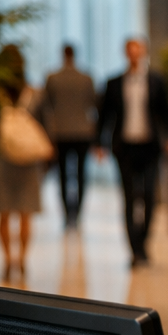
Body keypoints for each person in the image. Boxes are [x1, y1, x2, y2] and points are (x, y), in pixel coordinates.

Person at [97, 37, 168, 266]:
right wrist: (99, 144)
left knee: (149, 196)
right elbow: (105, 116)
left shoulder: (157, 81)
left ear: (144, 53)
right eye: (130, 50)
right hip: (125, 147)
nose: (134, 54)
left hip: (150, 147)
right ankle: (134, 250)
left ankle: (144, 242)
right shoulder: (113, 83)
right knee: (130, 198)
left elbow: (166, 112)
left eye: (138, 50)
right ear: (125, 53)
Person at [0, 45, 42, 279]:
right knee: (25, 211)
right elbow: (42, 124)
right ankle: (22, 258)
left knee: (3, 211)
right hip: (27, 157)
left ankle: (7, 259)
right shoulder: (32, 92)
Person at [40, 43, 98, 228]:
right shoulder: (86, 78)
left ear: (62, 55)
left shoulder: (53, 78)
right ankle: (78, 211)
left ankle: (67, 212)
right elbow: (93, 103)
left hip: (60, 132)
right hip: (82, 131)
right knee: (81, 173)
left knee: (63, 175)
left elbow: (46, 105)